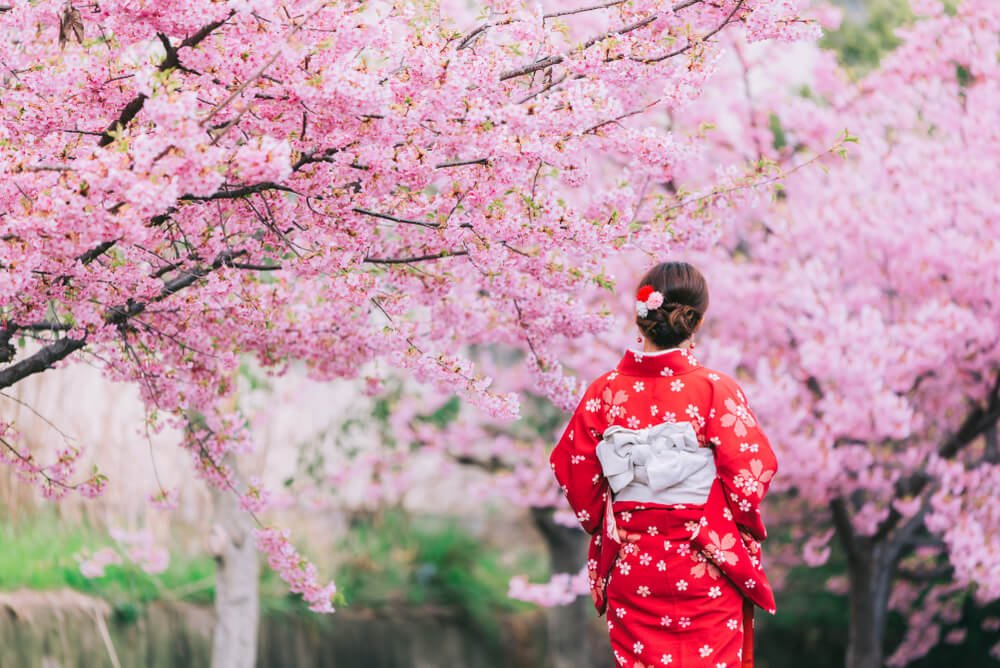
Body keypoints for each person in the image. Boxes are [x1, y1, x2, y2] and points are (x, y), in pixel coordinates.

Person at [549, 261, 778, 668]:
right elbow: (749, 473)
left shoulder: (605, 392)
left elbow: (573, 470)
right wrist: (715, 520)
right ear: (697, 320)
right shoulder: (714, 389)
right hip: (704, 560)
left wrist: (623, 515)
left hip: (636, 566)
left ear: (641, 318)